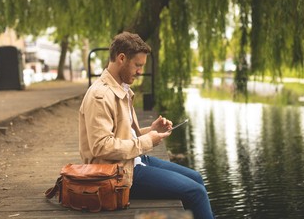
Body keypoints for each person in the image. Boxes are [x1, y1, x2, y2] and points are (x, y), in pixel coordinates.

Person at [79, 31, 215, 219]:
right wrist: (147, 142)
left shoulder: (122, 88)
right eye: (137, 65)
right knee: (196, 192)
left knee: (197, 178)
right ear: (121, 58)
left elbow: (124, 135)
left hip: (133, 160)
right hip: (117, 173)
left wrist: (151, 131)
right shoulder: (100, 96)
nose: (141, 71)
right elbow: (101, 146)